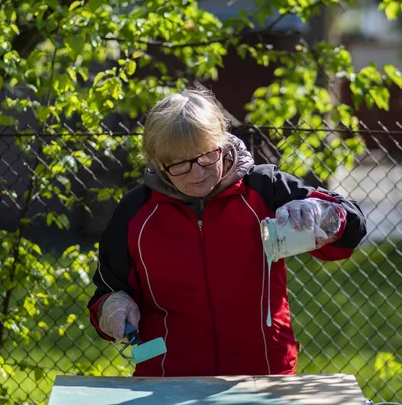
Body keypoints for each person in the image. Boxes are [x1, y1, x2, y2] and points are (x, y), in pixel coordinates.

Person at [87, 88, 367, 377]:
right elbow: (107, 290)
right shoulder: (136, 212)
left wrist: (324, 215)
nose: (197, 174)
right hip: (168, 376)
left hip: (264, 373)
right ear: (158, 164)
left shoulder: (264, 188)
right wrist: (113, 307)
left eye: (207, 156)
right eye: (180, 164)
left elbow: (351, 231)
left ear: (222, 141)